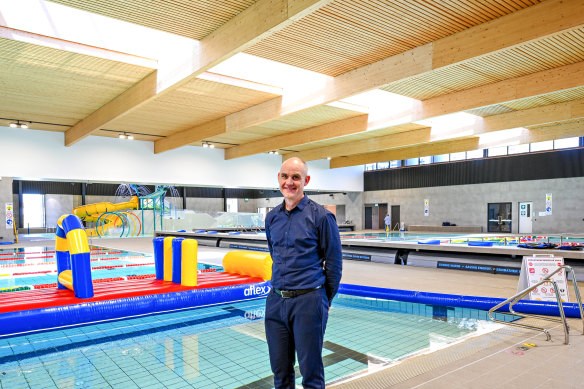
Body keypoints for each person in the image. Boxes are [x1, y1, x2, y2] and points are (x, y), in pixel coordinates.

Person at [264, 157, 343, 389]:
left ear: (305, 180)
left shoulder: (321, 217)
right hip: (276, 300)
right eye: (285, 176)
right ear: (279, 178)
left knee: (311, 372)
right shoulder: (272, 218)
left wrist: (323, 299)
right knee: (280, 371)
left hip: (309, 300)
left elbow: (334, 264)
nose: (289, 182)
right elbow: (274, 253)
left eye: (296, 177)